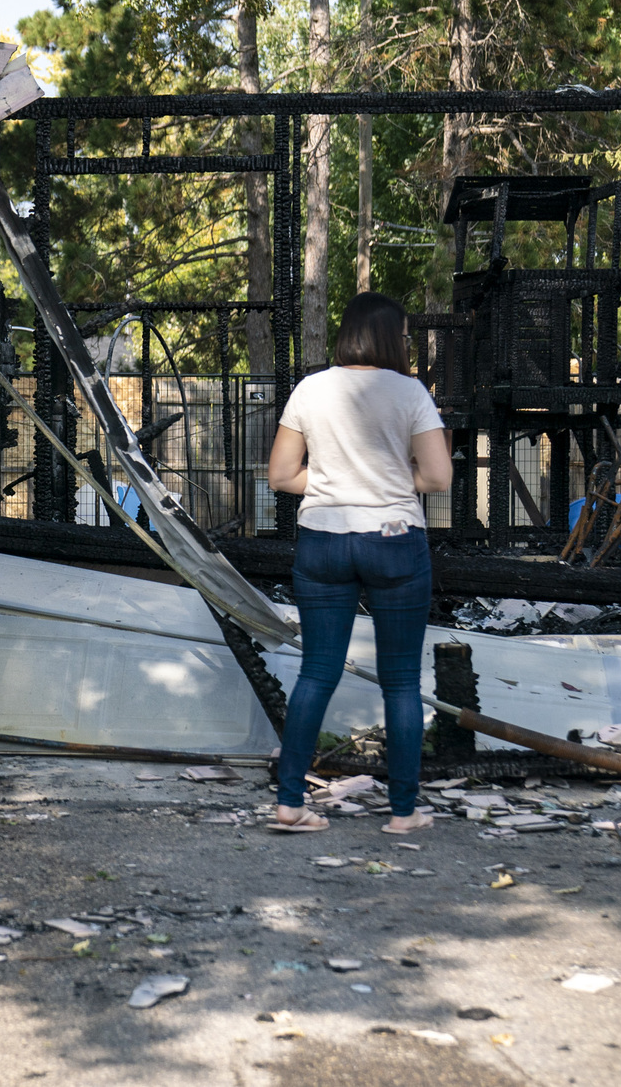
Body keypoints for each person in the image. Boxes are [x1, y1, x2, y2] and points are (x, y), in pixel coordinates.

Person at [264, 292, 454, 836]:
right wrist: (388, 481)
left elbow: (281, 476)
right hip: (393, 539)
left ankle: (290, 803)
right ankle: (403, 813)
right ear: (394, 337)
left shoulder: (310, 388)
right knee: (401, 681)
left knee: (316, 672)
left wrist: (334, 482)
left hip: (322, 541)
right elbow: (438, 477)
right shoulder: (411, 392)